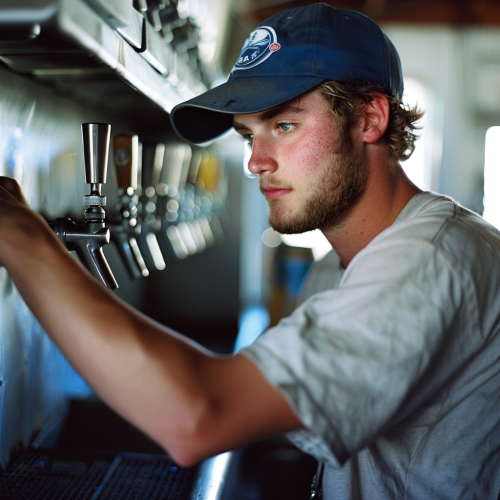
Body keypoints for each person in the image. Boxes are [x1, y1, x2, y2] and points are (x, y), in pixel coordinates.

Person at [1, 3, 500, 498]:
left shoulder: (430, 261)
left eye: (283, 126)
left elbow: (197, 417)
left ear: (369, 119)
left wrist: (21, 236)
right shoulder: (338, 268)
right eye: (247, 136)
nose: (256, 163)